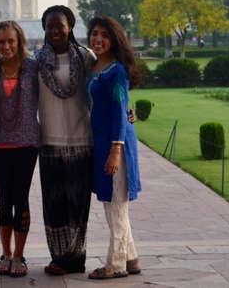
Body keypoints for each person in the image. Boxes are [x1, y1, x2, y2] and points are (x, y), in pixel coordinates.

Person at [33, 5, 97, 275]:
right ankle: (59, 257)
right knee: (55, 204)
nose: (55, 30)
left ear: (70, 26)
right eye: (50, 26)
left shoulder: (86, 58)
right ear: (44, 29)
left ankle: (76, 257)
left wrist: (124, 111)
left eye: (60, 25)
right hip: (50, 140)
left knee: (78, 204)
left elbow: (102, 89)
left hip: (81, 139)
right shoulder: (36, 61)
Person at [85, 15, 143, 279]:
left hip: (115, 145)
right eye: (95, 33)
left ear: (114, 39)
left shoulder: (116, 70)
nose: (98, 39)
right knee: (113, 205)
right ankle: (131, 259)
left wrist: (116, 150)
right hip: (104, 143)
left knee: (116, 206)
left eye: (105, 35)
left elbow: (120, 113)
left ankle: (115, 265)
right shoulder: (98, 66)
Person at [0, 20, 39, 278]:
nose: (6, 46)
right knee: (4, 198)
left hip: (26, 143)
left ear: (20, 42)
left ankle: (19, 255)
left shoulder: (33, 67)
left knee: (21, 197)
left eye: (11, 41)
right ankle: (6, 254)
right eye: (1, 42)